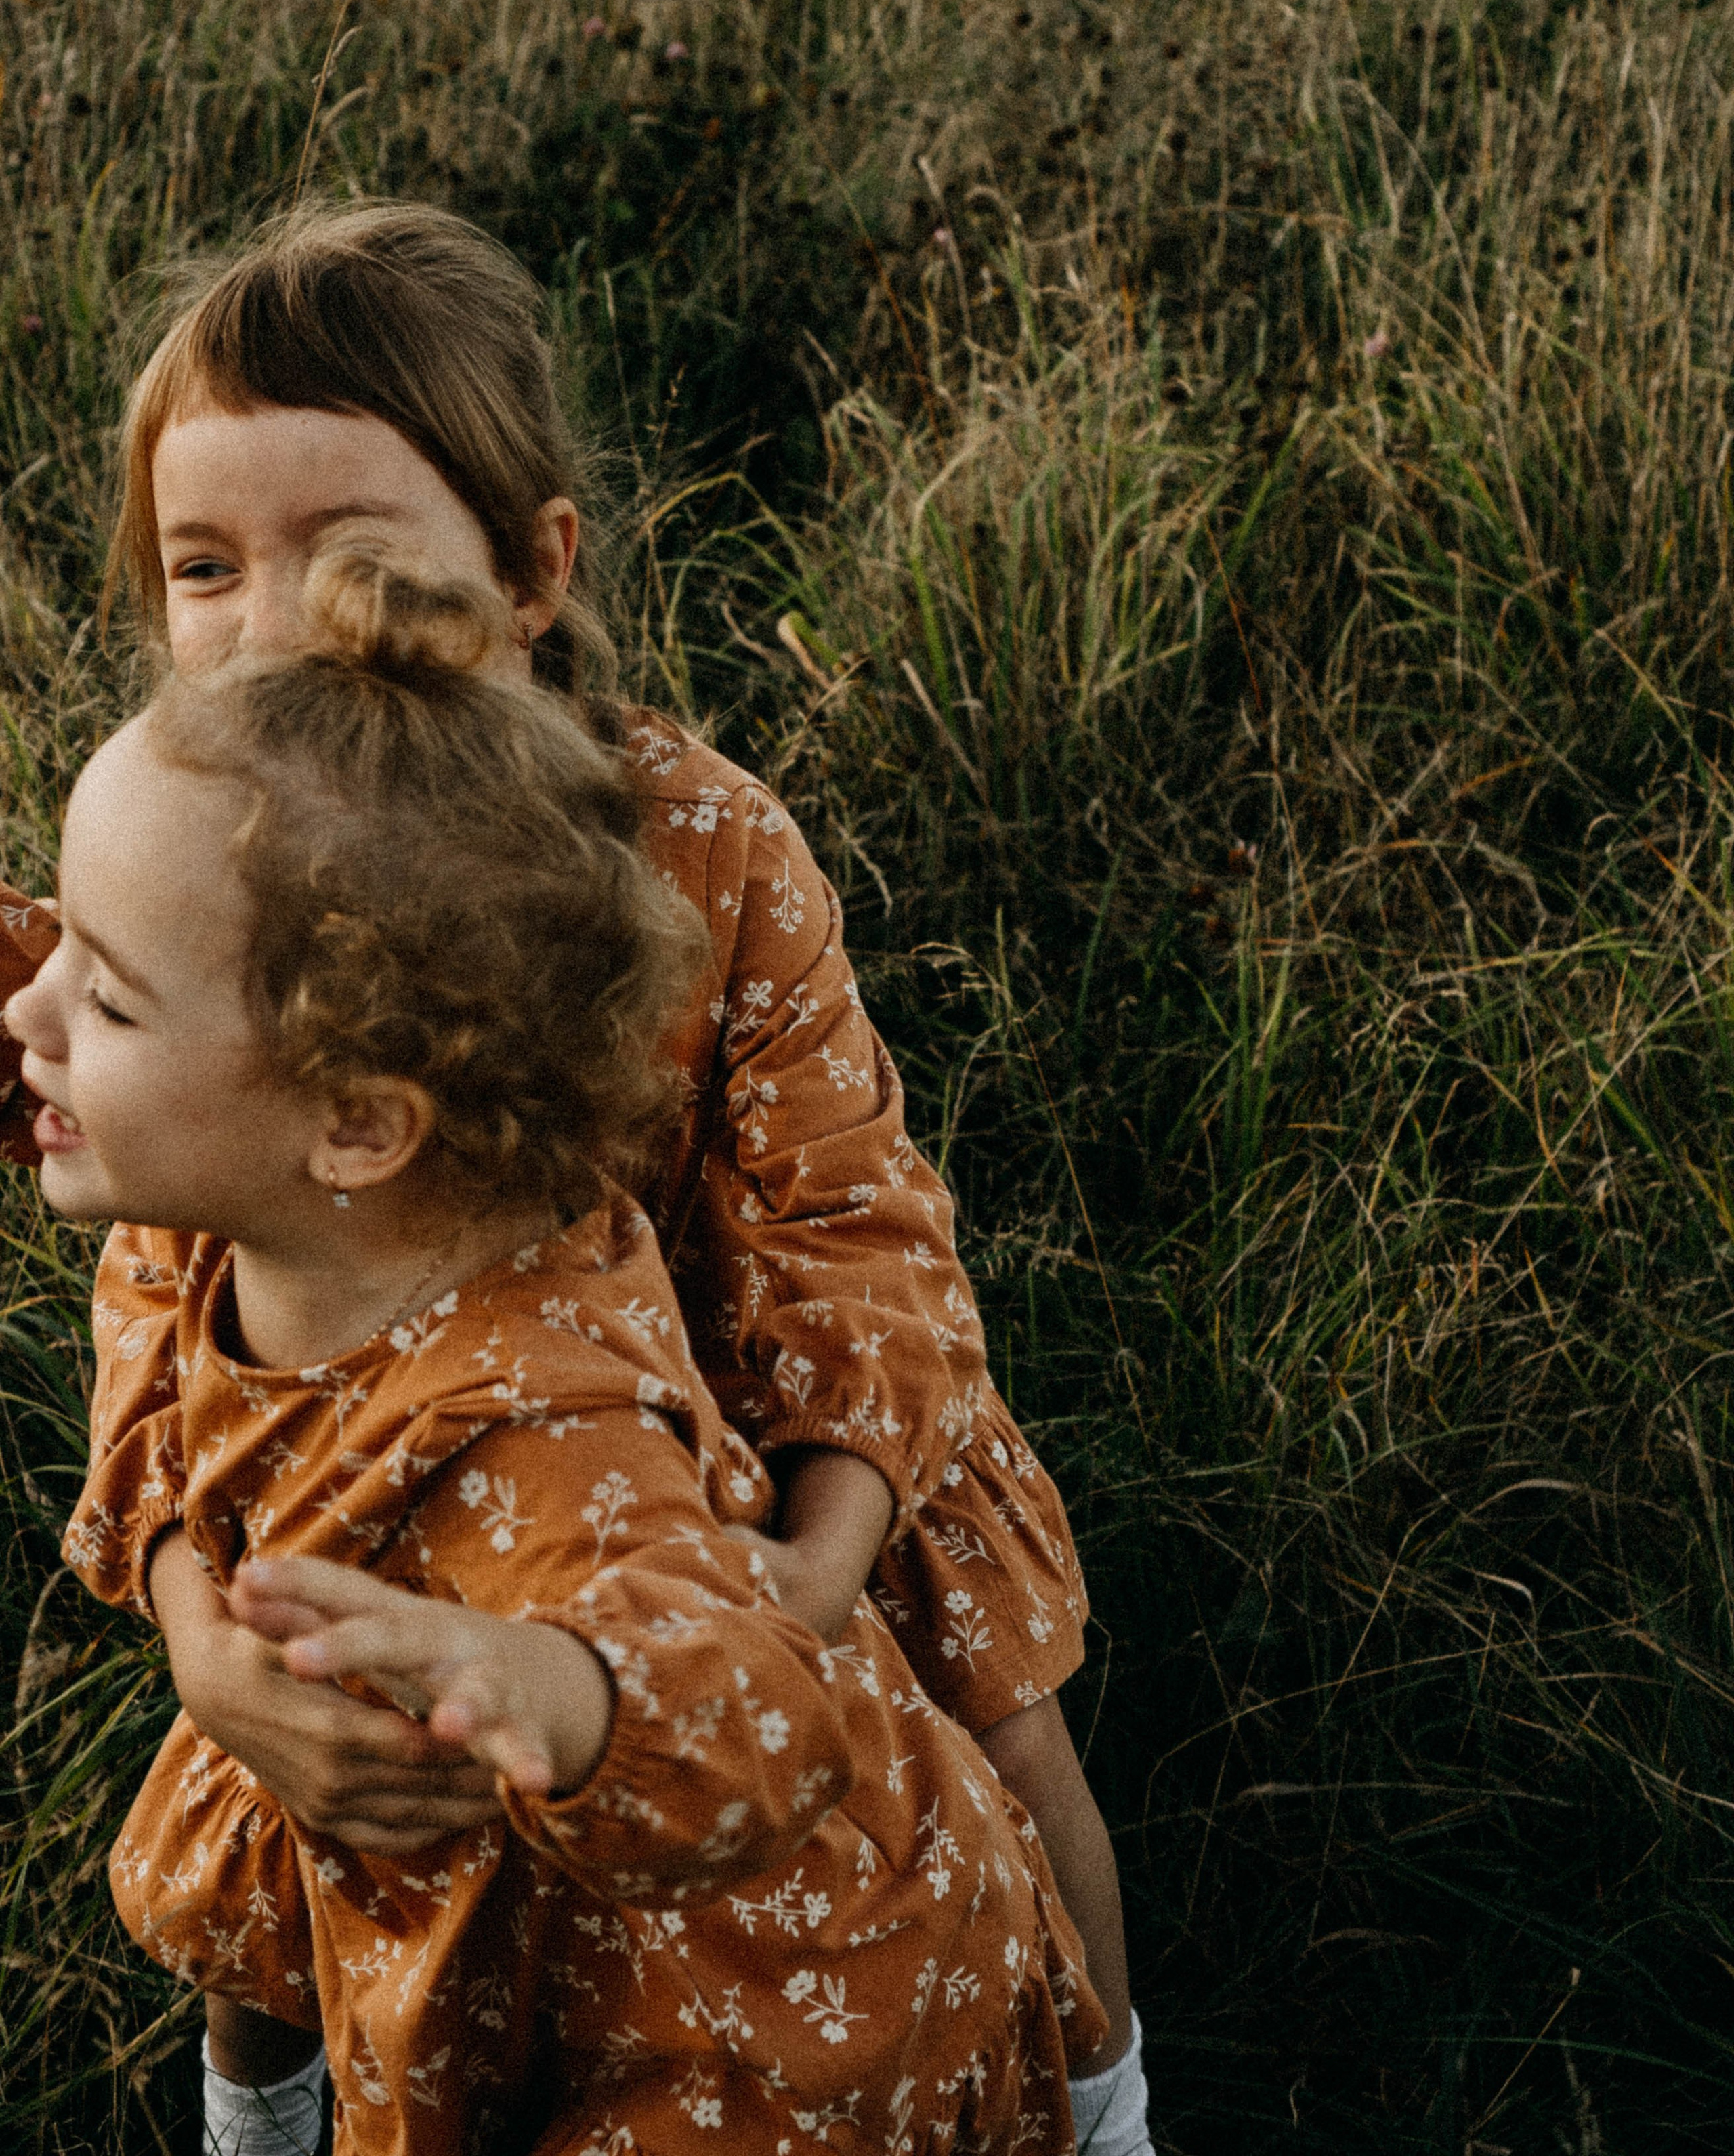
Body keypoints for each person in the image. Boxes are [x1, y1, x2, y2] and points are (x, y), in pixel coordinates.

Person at [0, 202, 1149, 2156]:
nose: (264, 625)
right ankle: (260, 2112)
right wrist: (197, 1621)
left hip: (772, 1444)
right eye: (202, 568)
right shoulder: (186, 848)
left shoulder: (705, 840)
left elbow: (847, 1226)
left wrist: (816, 1558)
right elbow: (168, 1281)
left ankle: (1092, 2096)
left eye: (344, 554)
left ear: (528, 573)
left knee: (989, 1724)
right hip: (354, 1428)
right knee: (283, 1759)